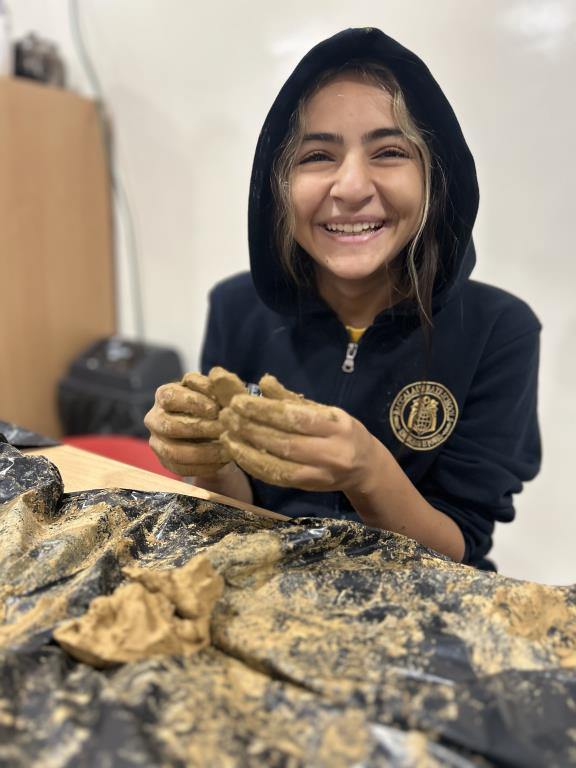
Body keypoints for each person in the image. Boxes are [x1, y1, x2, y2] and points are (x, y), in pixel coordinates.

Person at [145, 28, 541, 571]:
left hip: (417, 589)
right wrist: (208, 462)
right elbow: (235, 507)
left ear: (435, 178)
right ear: (277, 187)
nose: (351, 187)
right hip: (266, 575)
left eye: (390, 151)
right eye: (317, 156)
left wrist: (367, 470)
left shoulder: (500, 331)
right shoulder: (237, 307)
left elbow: (461, 543)